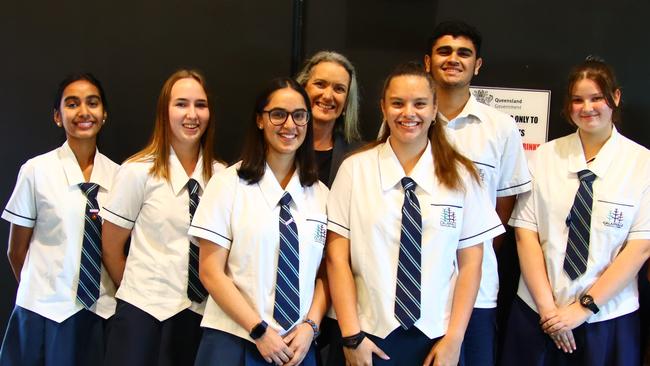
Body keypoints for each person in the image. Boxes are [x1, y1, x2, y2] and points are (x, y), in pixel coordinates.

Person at [326, 62, 504, 366]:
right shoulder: (355, 169)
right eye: (398, 103)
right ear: (383, 108)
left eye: (420, 104)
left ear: (434, 109)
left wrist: (454, 339)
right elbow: (336, 257)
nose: (409, 113)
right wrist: (352, 336)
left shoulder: (462, 176)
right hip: (367, 333)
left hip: (437, 338)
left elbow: (472, 263)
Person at [503, 57, 650, 366]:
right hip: (538, 313)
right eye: (578, 100)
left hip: (608, 318)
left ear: (616, 98)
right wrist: (550, 312)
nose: (587, 108)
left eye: (597, 98)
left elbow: (639, 248)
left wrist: (582, 310)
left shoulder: (642, 164)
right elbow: (525, 235)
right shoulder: (545, 157)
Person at [189, 77, 328, 366]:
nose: (289, 125)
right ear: (260, 120)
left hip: (297, 348)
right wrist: (259, 330)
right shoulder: (227, 184)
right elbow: (211, 272)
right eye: (278, 114)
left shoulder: (322, 195)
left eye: (299, 115)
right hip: (234, 340)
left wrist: (310, 327)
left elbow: (326, 274)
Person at [423, 20, 531, 366]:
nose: (453, 59)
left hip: (478, 290)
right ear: (427, 62)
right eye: (444, 51)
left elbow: (504, 207)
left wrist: (474, 249)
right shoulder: (408, 119)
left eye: (463, 53)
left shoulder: (500, 127)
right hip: (412, 286)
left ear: (477, 64)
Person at [101, 69, 224, 366]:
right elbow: (111, 248)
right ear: (164, 111)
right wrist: (142, 294)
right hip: (143, 318)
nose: (191, 114)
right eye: (181, 104)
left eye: (200, 105)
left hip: (200, 317)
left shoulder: (222, 177)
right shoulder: (137, 172)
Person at [0, 73, 118, 365]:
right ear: (57, 116)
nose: (83, 112)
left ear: (104, 115)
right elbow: (16, 251)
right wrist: (42, 293)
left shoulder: (120, 176)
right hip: (44, 313)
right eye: (72, 104)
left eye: (92, 103)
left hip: (100, 311)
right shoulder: (36, 171)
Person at [296, 50, 364, 188]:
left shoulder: (360, 157)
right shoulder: (279, 144)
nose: (327, 96)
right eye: (320, 84)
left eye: (339, 89)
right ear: (303, 89)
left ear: (346, 102)